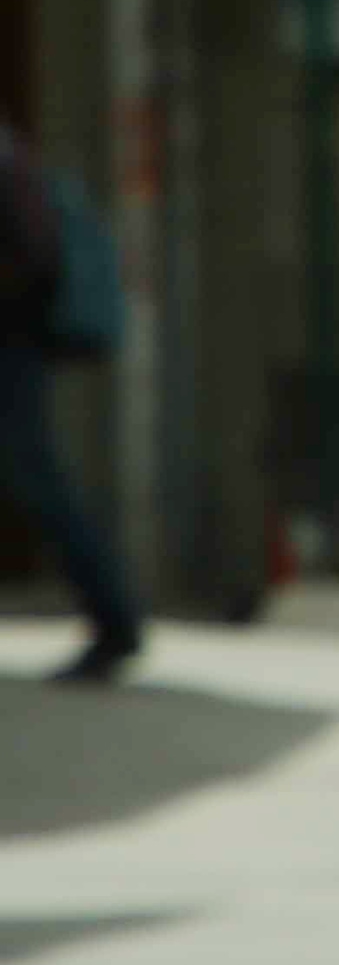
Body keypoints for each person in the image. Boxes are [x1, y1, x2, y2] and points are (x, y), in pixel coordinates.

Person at [0, 113, 141, 685]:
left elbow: (29, 259)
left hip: (9, 347)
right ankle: (115, 620)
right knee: (39, 479)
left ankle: (115, 620)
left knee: (40, 482)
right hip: (16, 345)